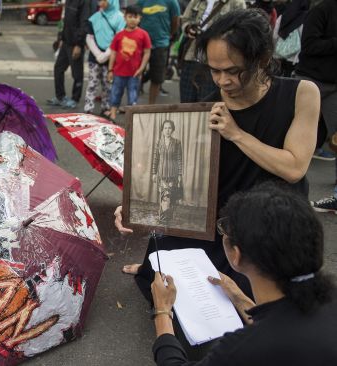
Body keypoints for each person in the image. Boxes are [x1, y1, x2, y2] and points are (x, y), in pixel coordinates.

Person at [117, 9, 320, 308]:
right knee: (161, 277)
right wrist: (136, 204)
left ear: (262, 60)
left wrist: (236, 133)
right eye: (214, 70)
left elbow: (294, 168)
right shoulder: (206, 104)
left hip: (271, 218)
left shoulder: (302, 93)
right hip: (214, 216)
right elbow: (176, 166)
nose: (223, 80)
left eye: (233, 70)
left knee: (255, 304)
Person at [150, 182, 337, 365]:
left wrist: (162, 310)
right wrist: (238, 296)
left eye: (224, 230)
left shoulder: (242, 349)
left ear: (236, 255)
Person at [295, 0, 337, 212]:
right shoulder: (322, 10)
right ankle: (287, 193)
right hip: (311, 80)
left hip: (334, 87)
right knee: (297, 138)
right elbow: (309, 45)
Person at [178, 0, 245, 103]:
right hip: (192, 56)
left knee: (208, 103)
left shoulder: (237, 2)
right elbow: (185, 19)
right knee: (186, 101)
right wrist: (188, 28)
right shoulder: (196, 1)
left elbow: (241, 29)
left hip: (216, 62)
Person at [107, 5, 151, 120]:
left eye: (135, 17)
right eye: (130, 16)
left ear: (140, 18)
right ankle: (112, 115)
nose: (132, 19)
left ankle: (131, 119)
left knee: (133, 96)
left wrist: (141, 68)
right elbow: (113, 53)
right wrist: (110, 69)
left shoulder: (143, 34)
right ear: (125, 18)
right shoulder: (119, 35)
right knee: (115, 94)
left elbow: (147, 52)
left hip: (134, 73)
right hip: (118, 72)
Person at [46, 0, 90, 109]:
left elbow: (84, 24)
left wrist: (79, 44)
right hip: (66, 42)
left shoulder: (84, 2)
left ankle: (75, 99)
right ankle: (60, 96)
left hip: (75, 44)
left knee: (77, 73)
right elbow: (65, 21)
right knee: (58, 68)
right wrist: (61, 38)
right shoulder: (69, 1)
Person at [83, 0, 124, 116]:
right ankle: (88, 109)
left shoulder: (120, 18)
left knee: (108, 85)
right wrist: (98, 55)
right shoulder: (94, 17)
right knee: (92, 83)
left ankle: (105, 108)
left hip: (111, 58)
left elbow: (118, 38)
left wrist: (106, 55)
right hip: (94, 57)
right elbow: (89, 37)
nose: (100, 2)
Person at [136, 0, 180, 104]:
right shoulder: (141, 2)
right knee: (136, 74)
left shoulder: (172, 2)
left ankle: (151, 107)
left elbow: (175, 21)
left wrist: (168, 34)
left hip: (161, 44)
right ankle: (133, 103)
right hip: (141, 44)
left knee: (157, 77)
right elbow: (137, 18)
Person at [151, 120, 183, 224]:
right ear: (162, 130)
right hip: (162, 174)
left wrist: (179, 174)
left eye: (169, 128)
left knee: (170, 197)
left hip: (173, 174)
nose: (167, 130)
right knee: (164, 196)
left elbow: (179, 159)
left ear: (172, 129)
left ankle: (166, 217)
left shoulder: (177, 142)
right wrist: (154, 173)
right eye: (165, 128)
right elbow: (155, 159)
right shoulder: (158, 142)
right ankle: (163, 218)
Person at [272, 0, 308, 77]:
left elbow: (274, 35)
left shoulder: (283, 16)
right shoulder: (306, 18)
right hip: (294, 57)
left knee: (278, 75)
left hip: (280, 53)